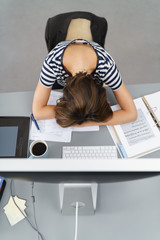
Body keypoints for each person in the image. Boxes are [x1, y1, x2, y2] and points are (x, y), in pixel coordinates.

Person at [32, 12, 137, 128]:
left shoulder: (106, 66)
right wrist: (77, 113)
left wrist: (81, 122)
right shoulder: (52, 62)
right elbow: (37, 112)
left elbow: (131, 114)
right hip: (61, 77)